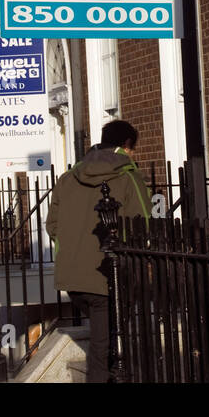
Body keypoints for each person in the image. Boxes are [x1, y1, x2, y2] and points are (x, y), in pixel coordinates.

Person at [46, 119, 151, 383]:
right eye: (133, 149)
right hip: (108, 273)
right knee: (102, 347)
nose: (134, 154)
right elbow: (143, 224)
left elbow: (52, 225)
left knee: (103, 338)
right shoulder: (128, 176)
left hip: (72, 276)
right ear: (126, 145)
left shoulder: (68, 177)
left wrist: (73, 248)